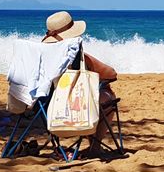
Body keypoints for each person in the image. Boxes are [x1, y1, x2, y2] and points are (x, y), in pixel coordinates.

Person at [42, 11, 117, 156]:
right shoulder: (76, 54)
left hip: (44, 108)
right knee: (108, 96)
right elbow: (111, 73)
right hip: (73, 109)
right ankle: (94, 147)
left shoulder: (40, 53)